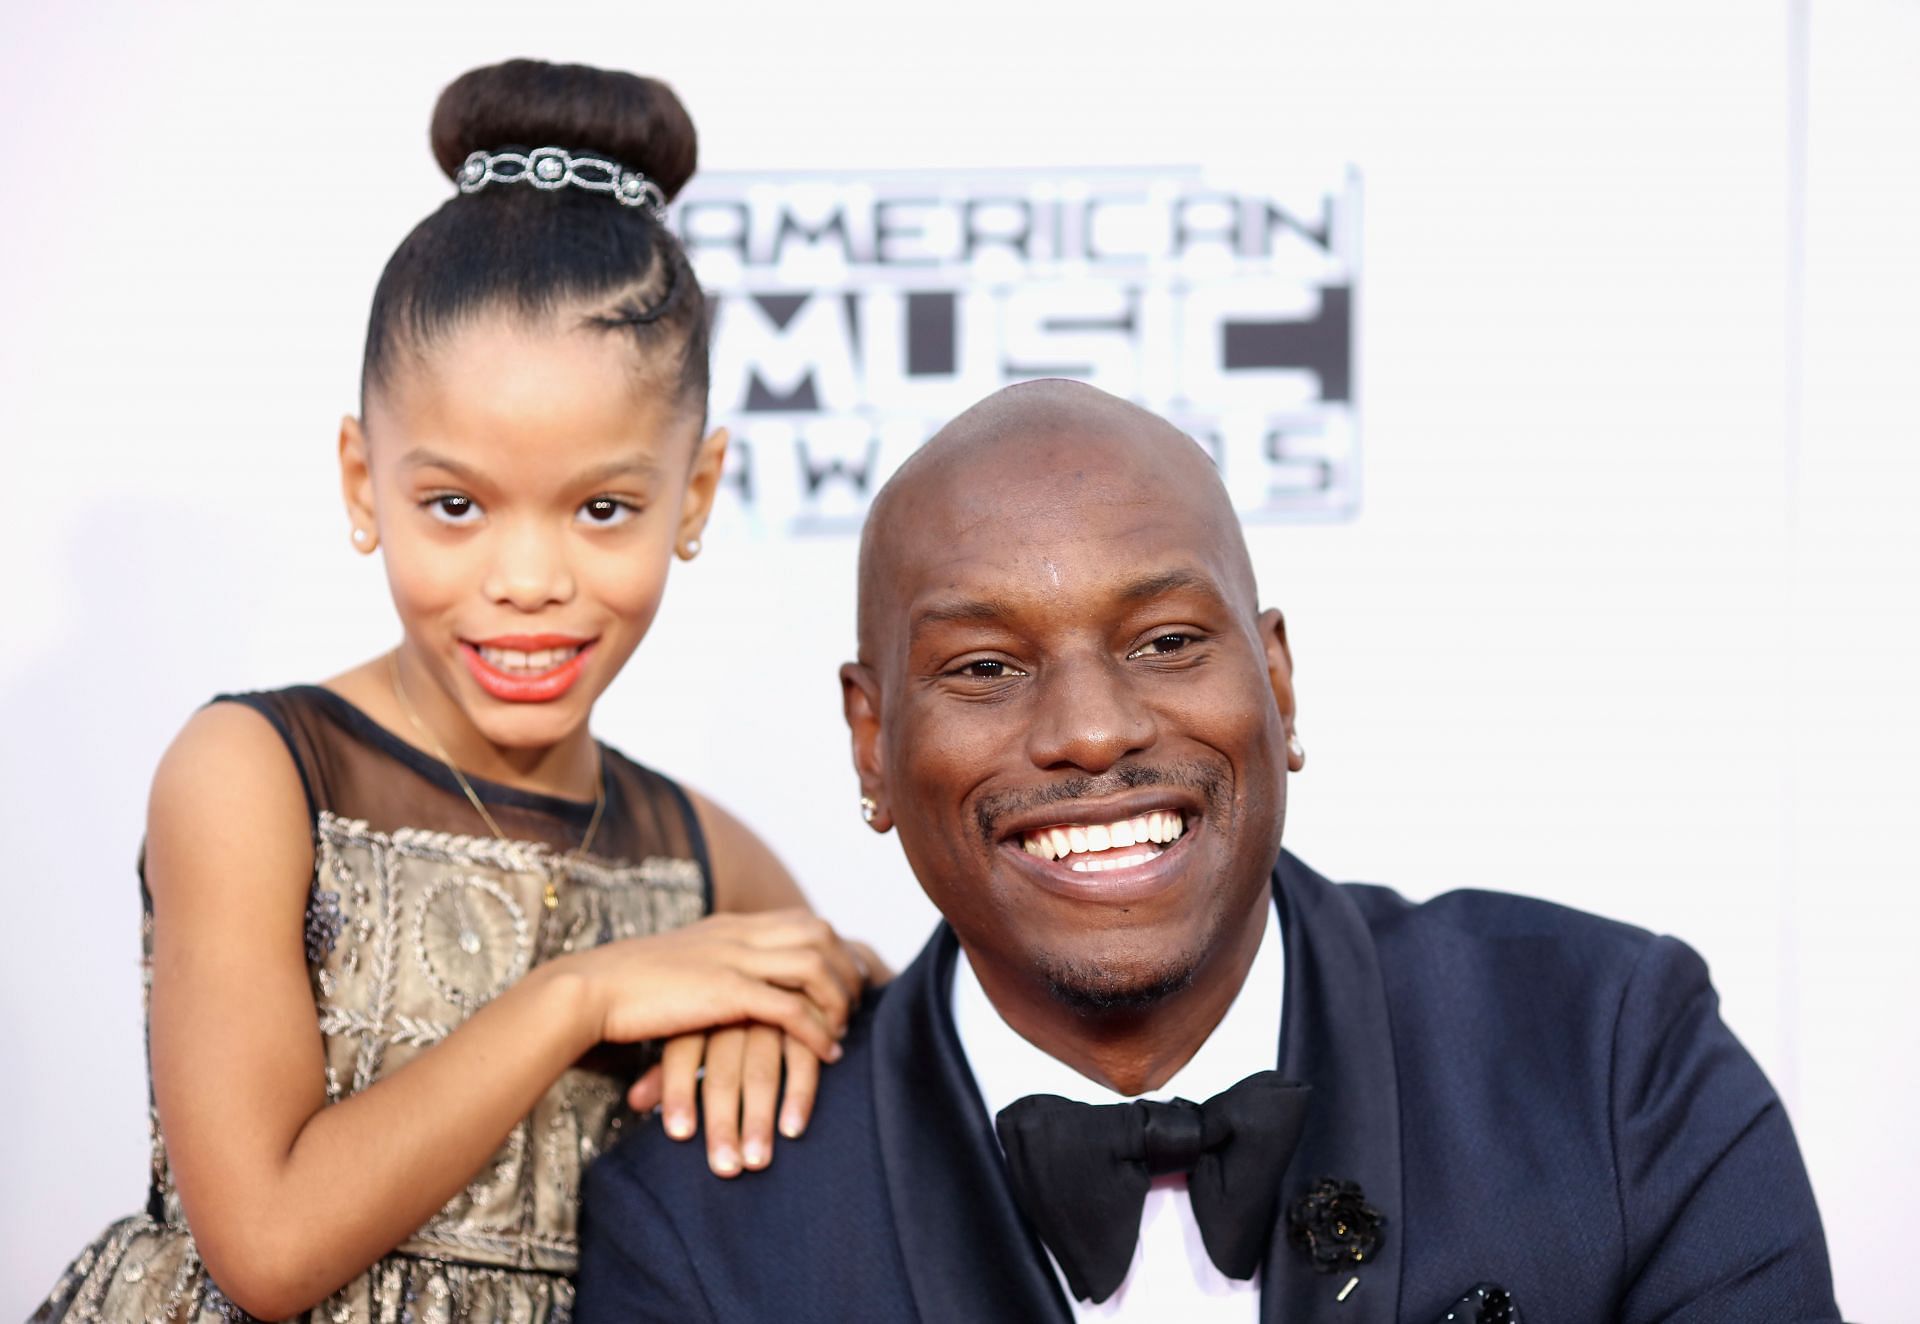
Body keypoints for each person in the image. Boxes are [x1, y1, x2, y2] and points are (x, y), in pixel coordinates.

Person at [575, 379, 1841, 1323]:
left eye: (1169, 641)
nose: (1089, 730)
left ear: (1278, 682)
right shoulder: (709, 1225)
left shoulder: (1612, 1057)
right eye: (984, 666)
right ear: (872, 742)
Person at [32, 59, 877, 1324]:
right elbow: (266, 1244)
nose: (527, 579)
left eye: (604, 508)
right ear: (362, 482)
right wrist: (582, 994)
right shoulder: (256, 773)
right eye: (455, 505)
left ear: (692, 498)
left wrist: (783, 1012)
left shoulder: (704, 856)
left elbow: (860, 992)